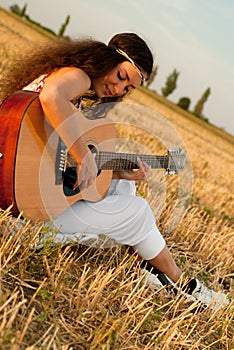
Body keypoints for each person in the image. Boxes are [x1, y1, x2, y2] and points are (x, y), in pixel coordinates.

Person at [1, 33, 229, 311]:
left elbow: (56, 161)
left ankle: (153, 268)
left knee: (124, 189)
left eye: (128, 88)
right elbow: (51, 96)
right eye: (121, 76)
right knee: (138, 211)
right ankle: (180, 284)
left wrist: (115, 171)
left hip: (17, 191)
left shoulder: (71, 87)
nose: (119, 89)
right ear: (106, 58)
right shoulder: (78, 76)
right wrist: (84, 155)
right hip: (21, 216)